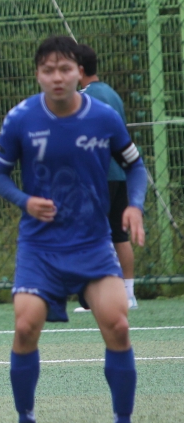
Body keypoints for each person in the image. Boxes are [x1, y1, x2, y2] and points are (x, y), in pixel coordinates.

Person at [0, 35, 153, 423]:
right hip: (40, 249)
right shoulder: (21, 118)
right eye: (48, 70)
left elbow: (135, 168)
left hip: (93, 244)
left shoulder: (103, 117)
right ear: (38, 75)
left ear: (80, 72)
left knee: (117, 324)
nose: (57, 77)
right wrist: (26, 201)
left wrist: (133, 207)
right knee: (25, 326)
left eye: (65, 69)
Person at [75, 44, 137, 310]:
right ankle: (129, 295)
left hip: (97, 175)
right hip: (121, 172)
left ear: (78, 69)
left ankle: (98, 296)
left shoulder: (82, 97)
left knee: (90, 235)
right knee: (119, 235)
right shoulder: (113, 94)